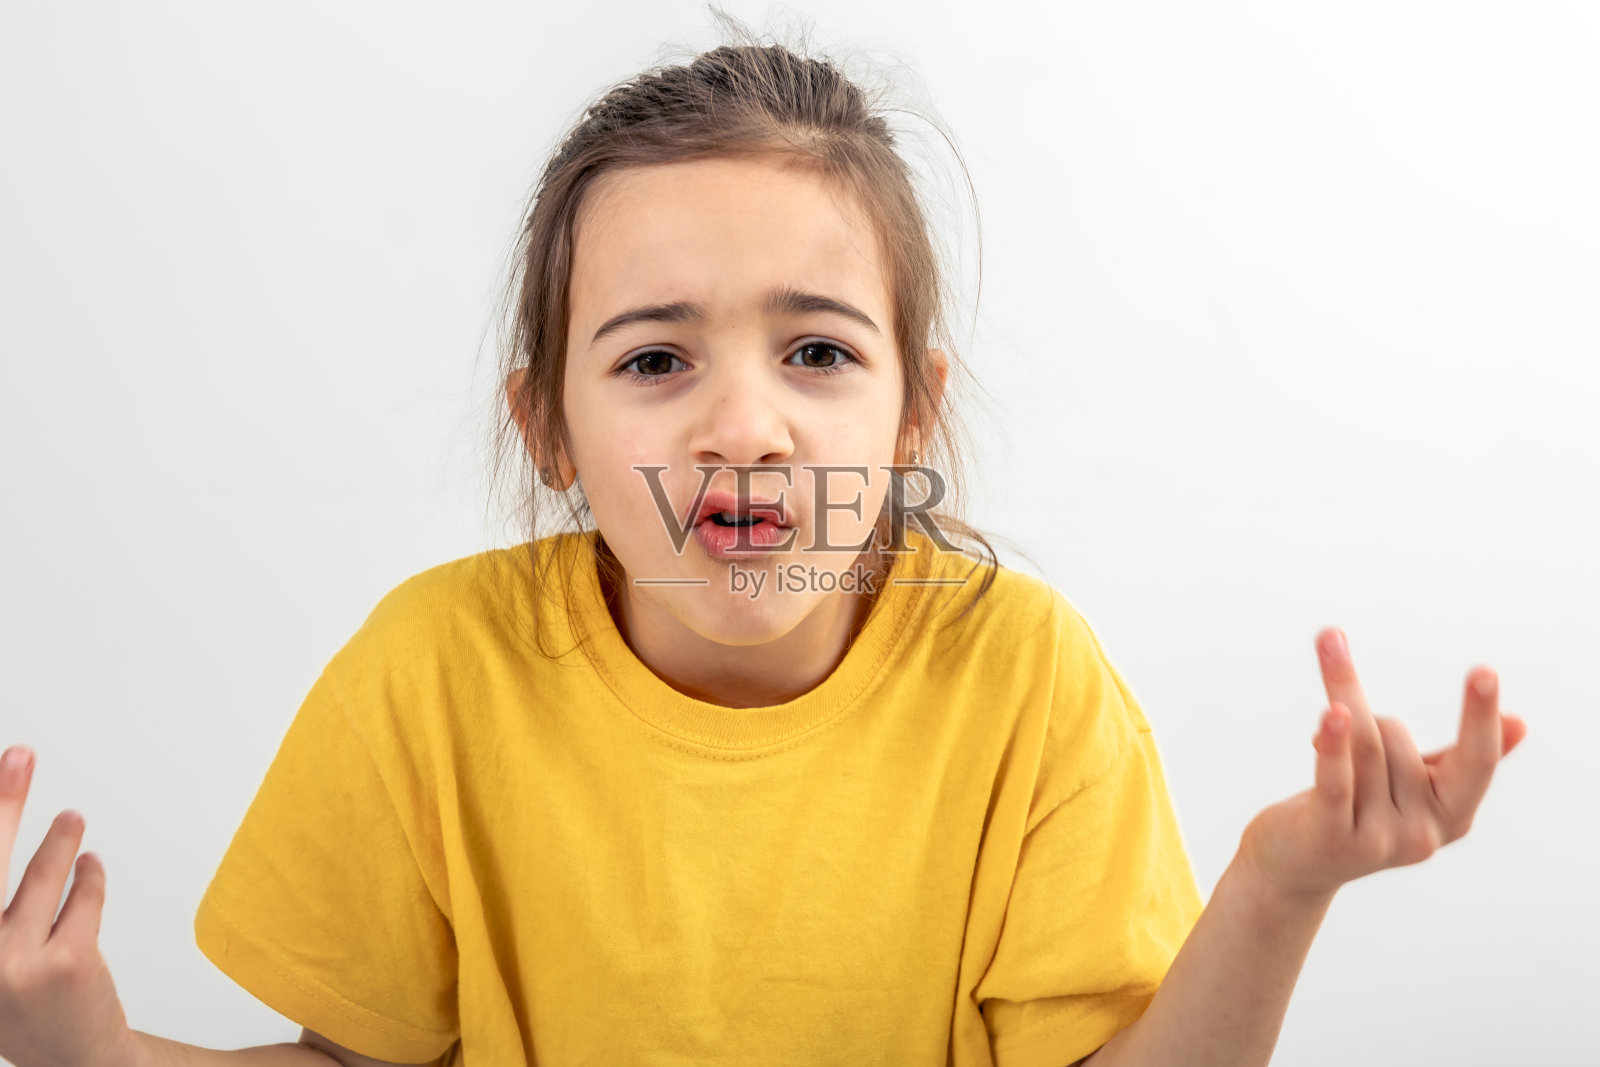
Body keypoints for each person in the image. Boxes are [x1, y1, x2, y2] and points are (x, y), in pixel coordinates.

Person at [0, 23, 1529, 1067]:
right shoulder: (436, 671)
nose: (747, 425)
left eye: (816, 353)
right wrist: (82, 1046)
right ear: (548, 430)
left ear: (914, 412)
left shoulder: (1023, 680)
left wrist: (1279, 887)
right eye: (658, 361)